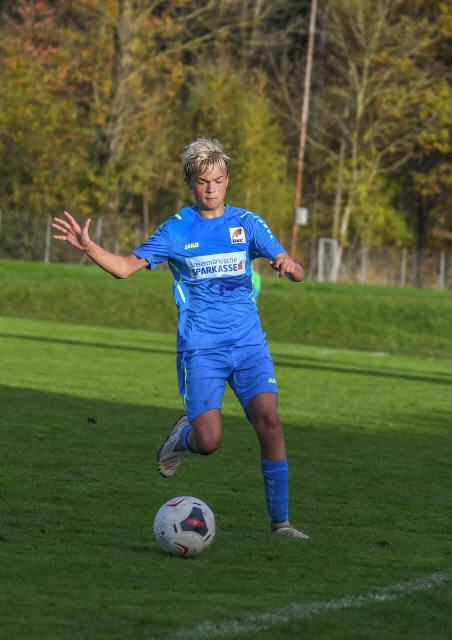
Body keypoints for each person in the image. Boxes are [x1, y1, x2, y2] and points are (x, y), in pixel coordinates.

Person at [53, 137, 308, 539]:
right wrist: (89, 247)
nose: (211, 189)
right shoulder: (176, 229)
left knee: (270, 423)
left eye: (218, 180)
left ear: (227, 180)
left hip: (248, 345)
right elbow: (124, 268)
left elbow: (296, 271)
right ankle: (182, 437)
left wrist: (289, 264)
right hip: (201, 349)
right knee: (209, 441)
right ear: (190, 182)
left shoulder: (248, 224)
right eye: (203, 181)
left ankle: (281, 524)